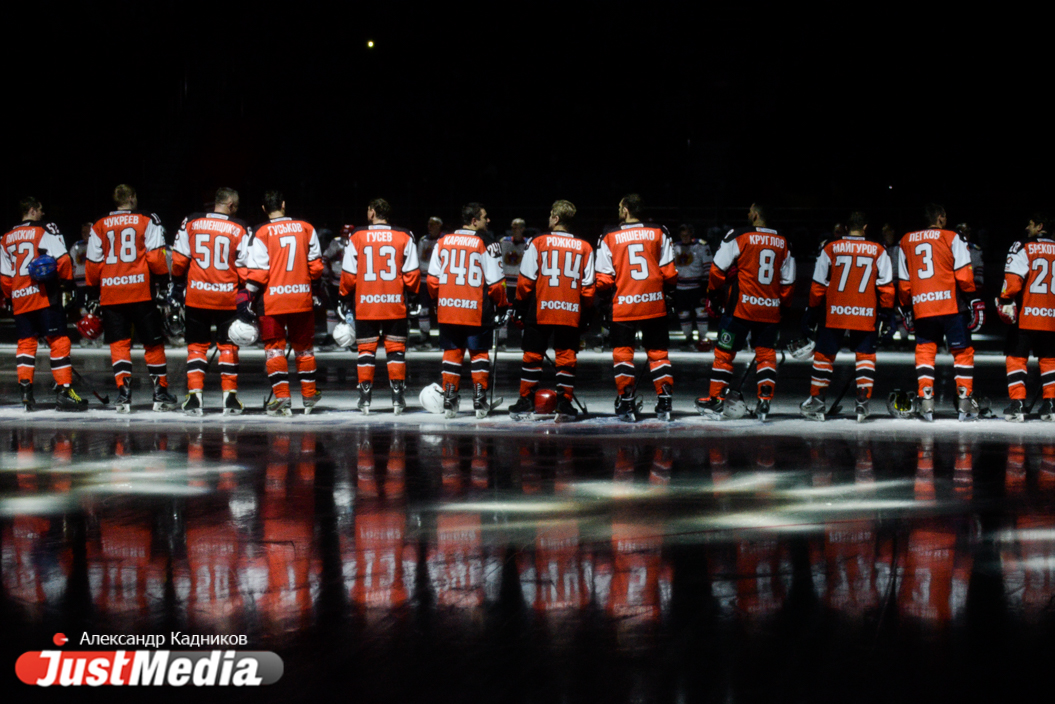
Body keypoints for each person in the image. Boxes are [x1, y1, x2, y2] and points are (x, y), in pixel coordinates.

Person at [695, 203, 795, 421]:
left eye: (750, 211)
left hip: (740, 307)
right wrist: (783, 307)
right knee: (766, 355)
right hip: (769, 309)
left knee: (724, 353)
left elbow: (717, 268)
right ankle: (765, 400)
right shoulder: (783, 241)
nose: (747, 213)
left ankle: (716, 399)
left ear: (756, 214)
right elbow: (788, 282)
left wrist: (713, 294)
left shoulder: (739, 234)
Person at [86, 184, 178, 413]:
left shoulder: (99, 223)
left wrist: (91, 292)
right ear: (132, 197)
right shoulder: (147, 218)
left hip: (111, 293)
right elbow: (156, 257)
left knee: (119, 344)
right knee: (153, 342)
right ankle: (160, 392)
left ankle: (123, 393)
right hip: (140, 292)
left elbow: (93, 264)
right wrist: (164, 281)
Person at [798, 211, 894, 421]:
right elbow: (886, 286)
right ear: (866, 227)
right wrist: (887, 313)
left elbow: (818, 285)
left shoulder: (830, 247)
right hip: (865, 310)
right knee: (865, 356)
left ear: (846, 226)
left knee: (824, 356)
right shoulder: (878, 249)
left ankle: (817, 401)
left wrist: (812, 311)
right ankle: (862, 403)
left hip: (835, 310)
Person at [508, 200, 595, 421]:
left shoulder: (538, 242)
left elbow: (526, 280)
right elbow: (588, 287)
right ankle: (564, 402)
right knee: (566, 357)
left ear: (556, 219)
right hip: (570, 309)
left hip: (541, 307)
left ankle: (526, 400)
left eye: (550, 215)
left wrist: (519, 305)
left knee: (532, 355)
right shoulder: (585, 247)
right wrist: (585, 312)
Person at [594, 194, 677, 422]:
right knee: (658, 353)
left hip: (623, 305)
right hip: (653, 302)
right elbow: (669, 272)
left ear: (626, 210)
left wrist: (601, 301)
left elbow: (604, 279)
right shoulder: (660, 231)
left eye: (620, 207)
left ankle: (626, 401)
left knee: (623, 354)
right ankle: (665, 400)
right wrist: (667, 295)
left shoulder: (609, 234)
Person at [0, 197, 88, 411]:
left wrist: (11, 297)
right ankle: (65, 391)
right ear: (31, 210)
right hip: (44, 295)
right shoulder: (44, 229)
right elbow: (64, 260)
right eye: (40, 210)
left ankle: (26, 392)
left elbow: (4, 277)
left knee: (26, 344)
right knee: (58, 341)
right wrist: (67, 286)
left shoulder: (5, 238)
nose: (43, 214)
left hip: (20, 296)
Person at [897, 203, 982, 421]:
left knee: (925, 351)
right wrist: (973, 299)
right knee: (962, 351)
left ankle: (926, 399)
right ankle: (964, 400)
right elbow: (964, 275)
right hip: (951, 305)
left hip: (922, 305)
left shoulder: (906, 240)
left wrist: (907, 307)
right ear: (941, 218)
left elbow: (905, 282)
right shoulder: (952, 237)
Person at [170, 186, 250, 415]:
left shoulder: (192, 221)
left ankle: (195, 397)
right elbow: (245, 267)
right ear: (232, 205)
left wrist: (177, 283)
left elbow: (178, 260)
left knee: (196, 347)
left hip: (197, 295)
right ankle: (230, 398)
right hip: (227, 297)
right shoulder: (240, 227)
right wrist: (247, 292)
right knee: (229, 346)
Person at [244, 190, 325, 415]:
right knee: (304, 348)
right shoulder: (306, 227)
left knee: (274, 350)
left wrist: (247, 297)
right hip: (301, 299)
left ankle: (282, 399)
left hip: (272, 301)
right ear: (283, 204)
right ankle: (309, 396)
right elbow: (316, 266)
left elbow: (258, 273)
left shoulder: (260, 231)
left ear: (264, 209)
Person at [426, 202, 507, 418]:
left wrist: (438, 301)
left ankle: (450, 399)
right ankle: (479, 400)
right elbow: (497, 283)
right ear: (474, 220)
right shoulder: (487, 242)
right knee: (479, 353)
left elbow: (432, 281)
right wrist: (503, 305)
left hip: (449, 308)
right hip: (476, 308)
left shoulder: (443, 241)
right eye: (484, 217)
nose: (487, 220)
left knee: (452, 353)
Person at [340, 198, 420, 414]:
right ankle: (397, 398)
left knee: (365, 350)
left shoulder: (357, 235)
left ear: (373, 212)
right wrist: (413, 298)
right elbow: (412, 273)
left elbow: (348, 274)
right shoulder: (405, 234)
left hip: (366, 303)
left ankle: (365, 398)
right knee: (396, 351)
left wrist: (344, 297)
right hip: (394, 303)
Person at [997, 214, 1055, 421]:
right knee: (1049, 358)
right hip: (1051, 315)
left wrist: (1004, 299)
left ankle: (1018, 403)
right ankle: (1051, 404)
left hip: (1026, 313)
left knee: (1016, 356)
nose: (1026, 227)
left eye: (1030, 223)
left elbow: (1012, 281)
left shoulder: (1023, 246)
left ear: (1040, 226)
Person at [672, 223, 713, 351]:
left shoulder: (701, 246)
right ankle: (688, 337)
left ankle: (703, 338)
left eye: (687, 235)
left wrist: (706, 284)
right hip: (681, 287)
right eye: (682, 235)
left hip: (697, 286)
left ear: (691, 234)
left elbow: (708, 266)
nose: (684, 237)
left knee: (701, 313)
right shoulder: (674, 247)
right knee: (683, 314)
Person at [498, 217, 531, 349]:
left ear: (523, 229)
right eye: (512, 227)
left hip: (520, 283)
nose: (514, 230)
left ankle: (526, 340)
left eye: (517, 227)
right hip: (506, 283)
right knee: (505, 312)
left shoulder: (529, 243)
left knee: (523, 312)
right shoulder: (504, 242)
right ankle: (501, 340)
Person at [415, 216, 443, 349]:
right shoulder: (423, 240)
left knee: (441, 309)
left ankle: (442, 338)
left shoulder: (444, 241)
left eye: (433, 224)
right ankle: (424, 336)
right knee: (424, 309)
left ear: (439, 226)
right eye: (429, 224)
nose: (430, 227)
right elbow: (418, 259)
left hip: (439, 280)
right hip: (424, 280)